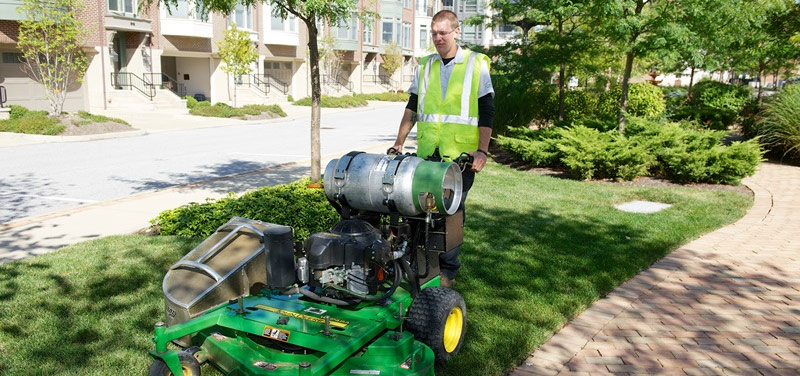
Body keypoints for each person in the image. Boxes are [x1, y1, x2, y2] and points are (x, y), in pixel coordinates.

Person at [390, 10, 494, 288]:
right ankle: (416, 268)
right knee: (417, 209)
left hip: (460, 157)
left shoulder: (476, 64)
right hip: (428, 153)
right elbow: (412, 106)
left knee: (450, 214)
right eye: (434, 33)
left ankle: (447, 275)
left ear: (456, 32)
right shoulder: (425, 65)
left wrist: (482, 151)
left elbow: (487, 111)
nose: (437, 38)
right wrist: (400, 140)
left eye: (443, 32)